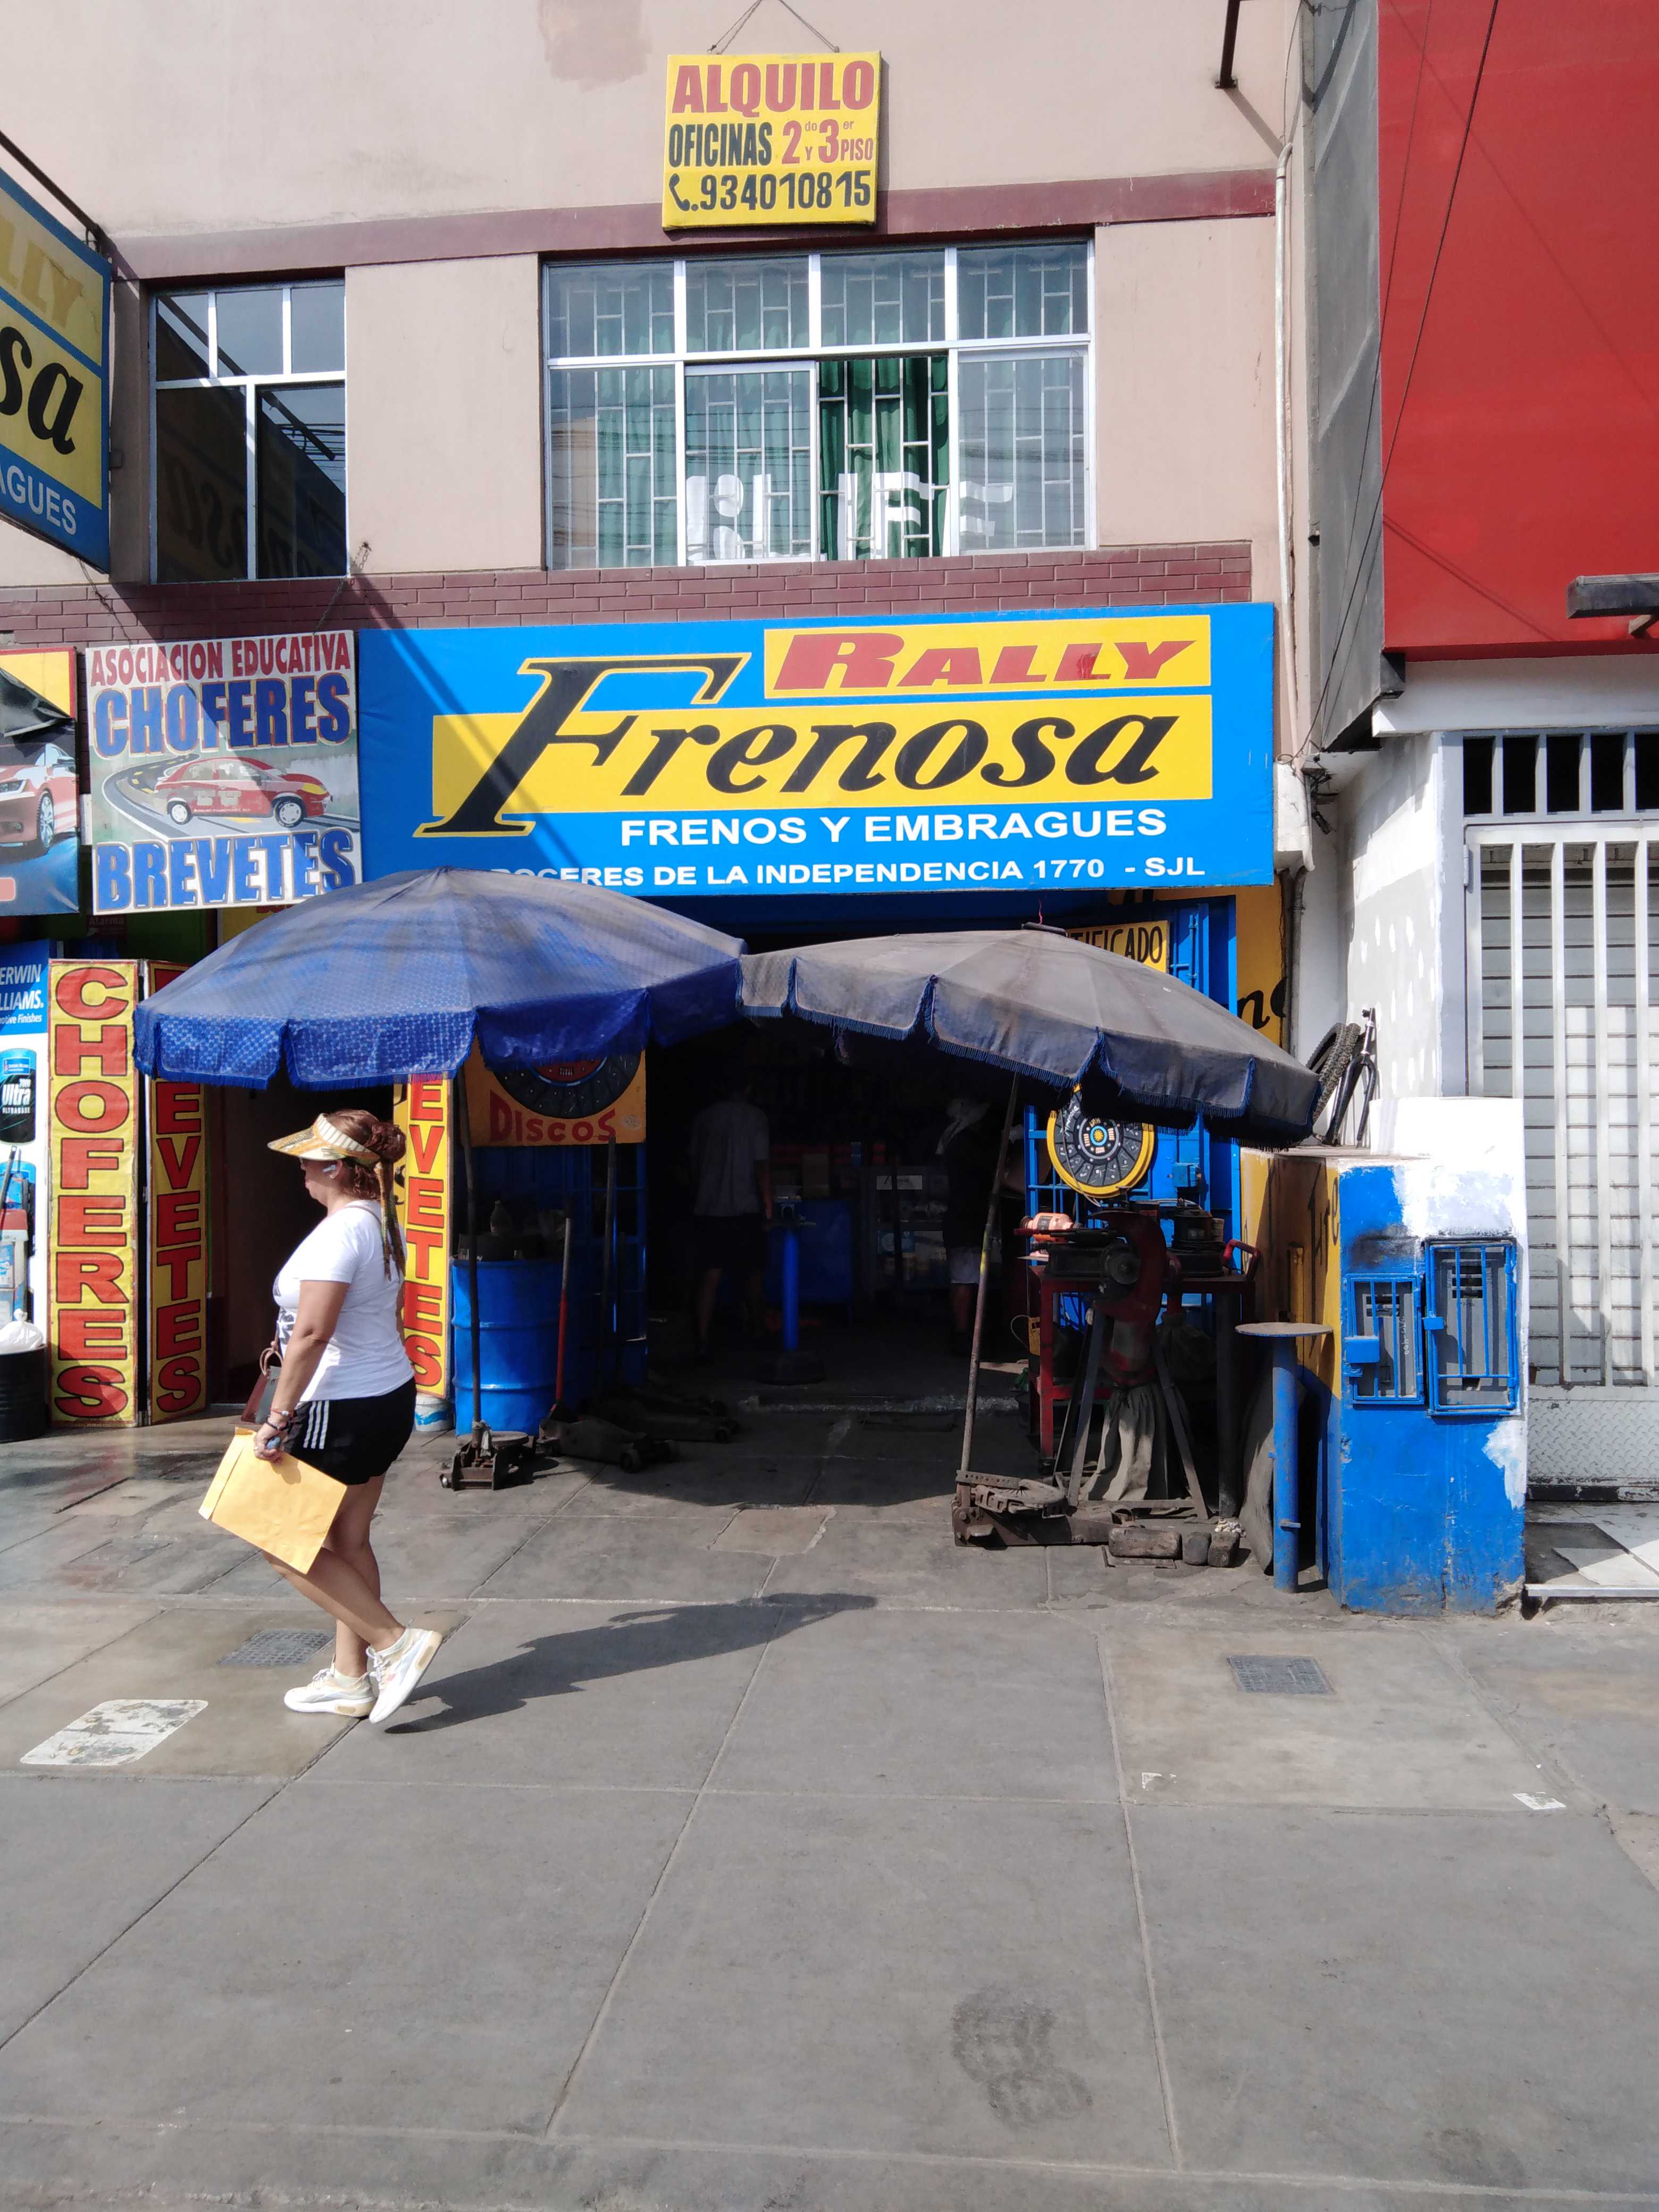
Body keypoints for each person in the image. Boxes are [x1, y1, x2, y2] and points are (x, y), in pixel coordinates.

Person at [253, 1108, 440, 1727]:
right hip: (384, 1395)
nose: (301, 1170)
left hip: (339, 1406)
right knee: (347, 1539)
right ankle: (349, 1677)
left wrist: (279, 1416)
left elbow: (312, 1332)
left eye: (309, 1160)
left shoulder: (341, 1232)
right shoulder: (380, 1222)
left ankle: (395, 1643)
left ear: (336, 1168)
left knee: (278, 1540)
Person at [688, 1067, 772, 1359]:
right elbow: (762, 1166)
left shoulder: (704, 1118)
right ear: (748, 1089)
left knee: (711, 1274)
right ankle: (758, 1334)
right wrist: (769, 1208)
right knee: (753, 1274)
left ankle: (702, 1341)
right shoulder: (756, 1118)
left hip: (710, 1208)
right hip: (746, 1208)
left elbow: (693, 1165)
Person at [938, 1095, 1016, 1356]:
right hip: (967, 1221)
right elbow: (993, 1167)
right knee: (965, 1281)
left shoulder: (958, 1141)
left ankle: (962, 1335)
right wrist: (1008, 1141)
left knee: (964, 1280)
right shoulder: (965, 1144)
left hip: (963, 1221)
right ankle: (962, 1337)